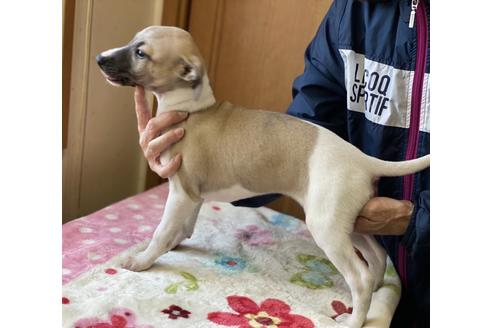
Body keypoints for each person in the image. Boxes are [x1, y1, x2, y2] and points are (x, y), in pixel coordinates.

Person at [133, 1, 429, 326]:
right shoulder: (353, 10)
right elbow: (309, 122)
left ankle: (359, 301)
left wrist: (415, 221)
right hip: (388, 284)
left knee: (330, 231)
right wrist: (205, 160)